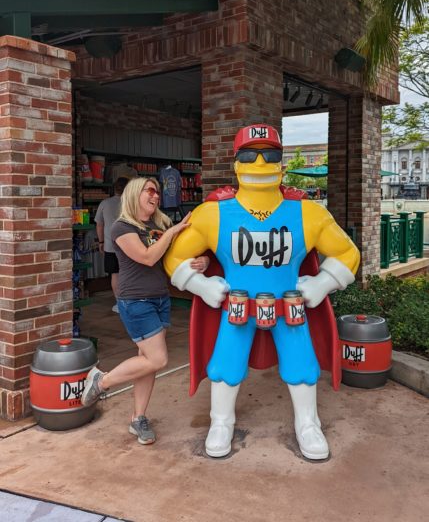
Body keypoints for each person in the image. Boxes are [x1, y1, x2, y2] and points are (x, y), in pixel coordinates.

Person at [164, 124, 360, 460]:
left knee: (301, 364)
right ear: (236, 164)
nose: (258, 163)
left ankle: (308, 423)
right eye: (248, 154)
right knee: (226, 364)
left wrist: (322, 283)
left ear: (281, 163)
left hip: (289, 307)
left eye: (269, 154)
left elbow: (348, 253)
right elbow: (174, 256)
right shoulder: (213, 213)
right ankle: (221, 421)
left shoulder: (308, 211)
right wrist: (200, 284)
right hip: (237, 307)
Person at [81, 176, 208, 445]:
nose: (156, 195)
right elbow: (148, 257)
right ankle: (102, 380)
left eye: (158, 192)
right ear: (134, 194)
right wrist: (172, 232)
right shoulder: (121, 227)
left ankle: (138, 418)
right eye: (150, 190)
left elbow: (179, 255)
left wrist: (201, 261)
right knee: (158, 359)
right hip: (136, 301)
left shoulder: (159, 224)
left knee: (146, 361)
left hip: (160, 298)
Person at [95, 176, 129, 313]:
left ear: (114, 188)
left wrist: (101, 241)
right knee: (129, 273)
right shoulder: (131, 203)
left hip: (110, 245)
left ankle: (119, 304)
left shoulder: (105, 203)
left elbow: (99, 224)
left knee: (115, 274)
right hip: (129, 245)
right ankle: (130, 302)